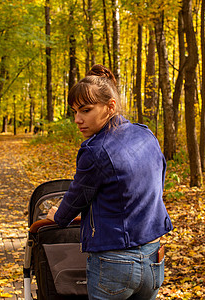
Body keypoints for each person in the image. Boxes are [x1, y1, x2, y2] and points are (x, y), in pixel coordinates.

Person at [46, 64, 173, 299]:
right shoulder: (146, 134)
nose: (77, 119)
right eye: (74, 111)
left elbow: (76, 198)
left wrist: (59, 215)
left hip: (114, 263)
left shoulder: (95, 150)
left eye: (85, 110)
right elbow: (155, 184)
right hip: (154, 257)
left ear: (110, 106)